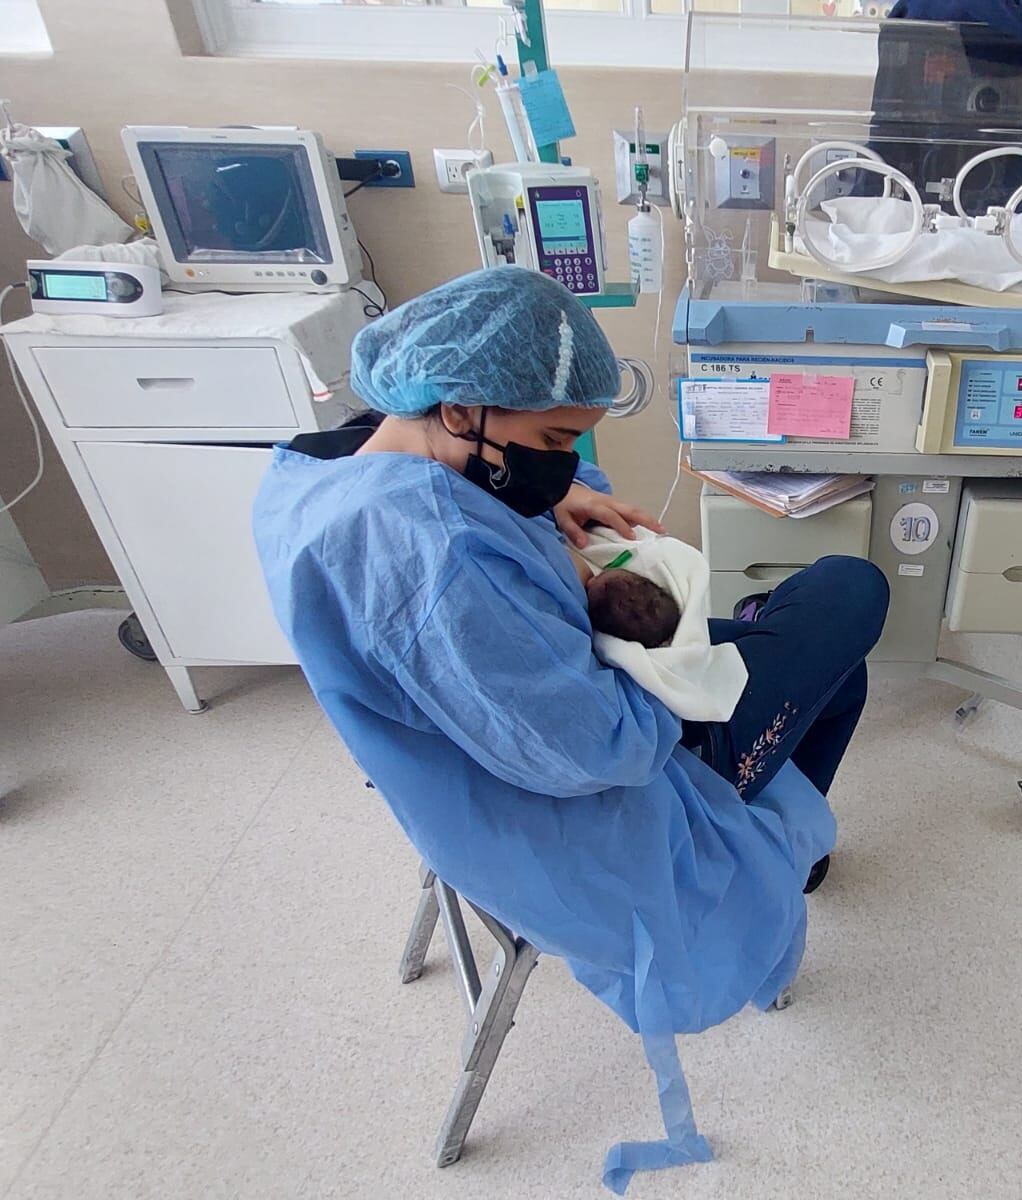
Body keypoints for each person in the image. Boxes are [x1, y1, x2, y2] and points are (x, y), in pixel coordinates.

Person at [251, 266, 888, 1192]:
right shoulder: (439, 556)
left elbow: (503, 522)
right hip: (603, 787)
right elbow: (602, 749)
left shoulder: (336, 466)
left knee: (830, 662)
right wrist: (673, 651)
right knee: (847, 591)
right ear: (462, 405)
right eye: (553, 441)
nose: (568, 463)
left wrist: (552, 499)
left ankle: (776, 755)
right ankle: (764, 807)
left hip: (486, 739)